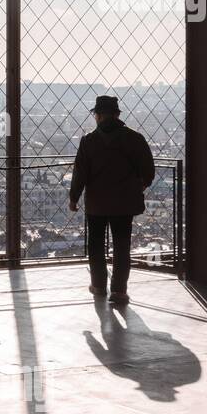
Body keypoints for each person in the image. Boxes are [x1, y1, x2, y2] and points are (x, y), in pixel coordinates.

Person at [68, 95, 155, 306]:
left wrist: (74, 198)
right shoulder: (135, 139)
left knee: (96, 245)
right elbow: (149, 171)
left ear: (97, 116)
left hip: (96, 203)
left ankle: (98, 285)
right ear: (117, 115)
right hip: (125, 203)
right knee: (122, 246)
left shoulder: (88, 141)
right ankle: (119, 290)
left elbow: (80, 173)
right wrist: (138, 186)